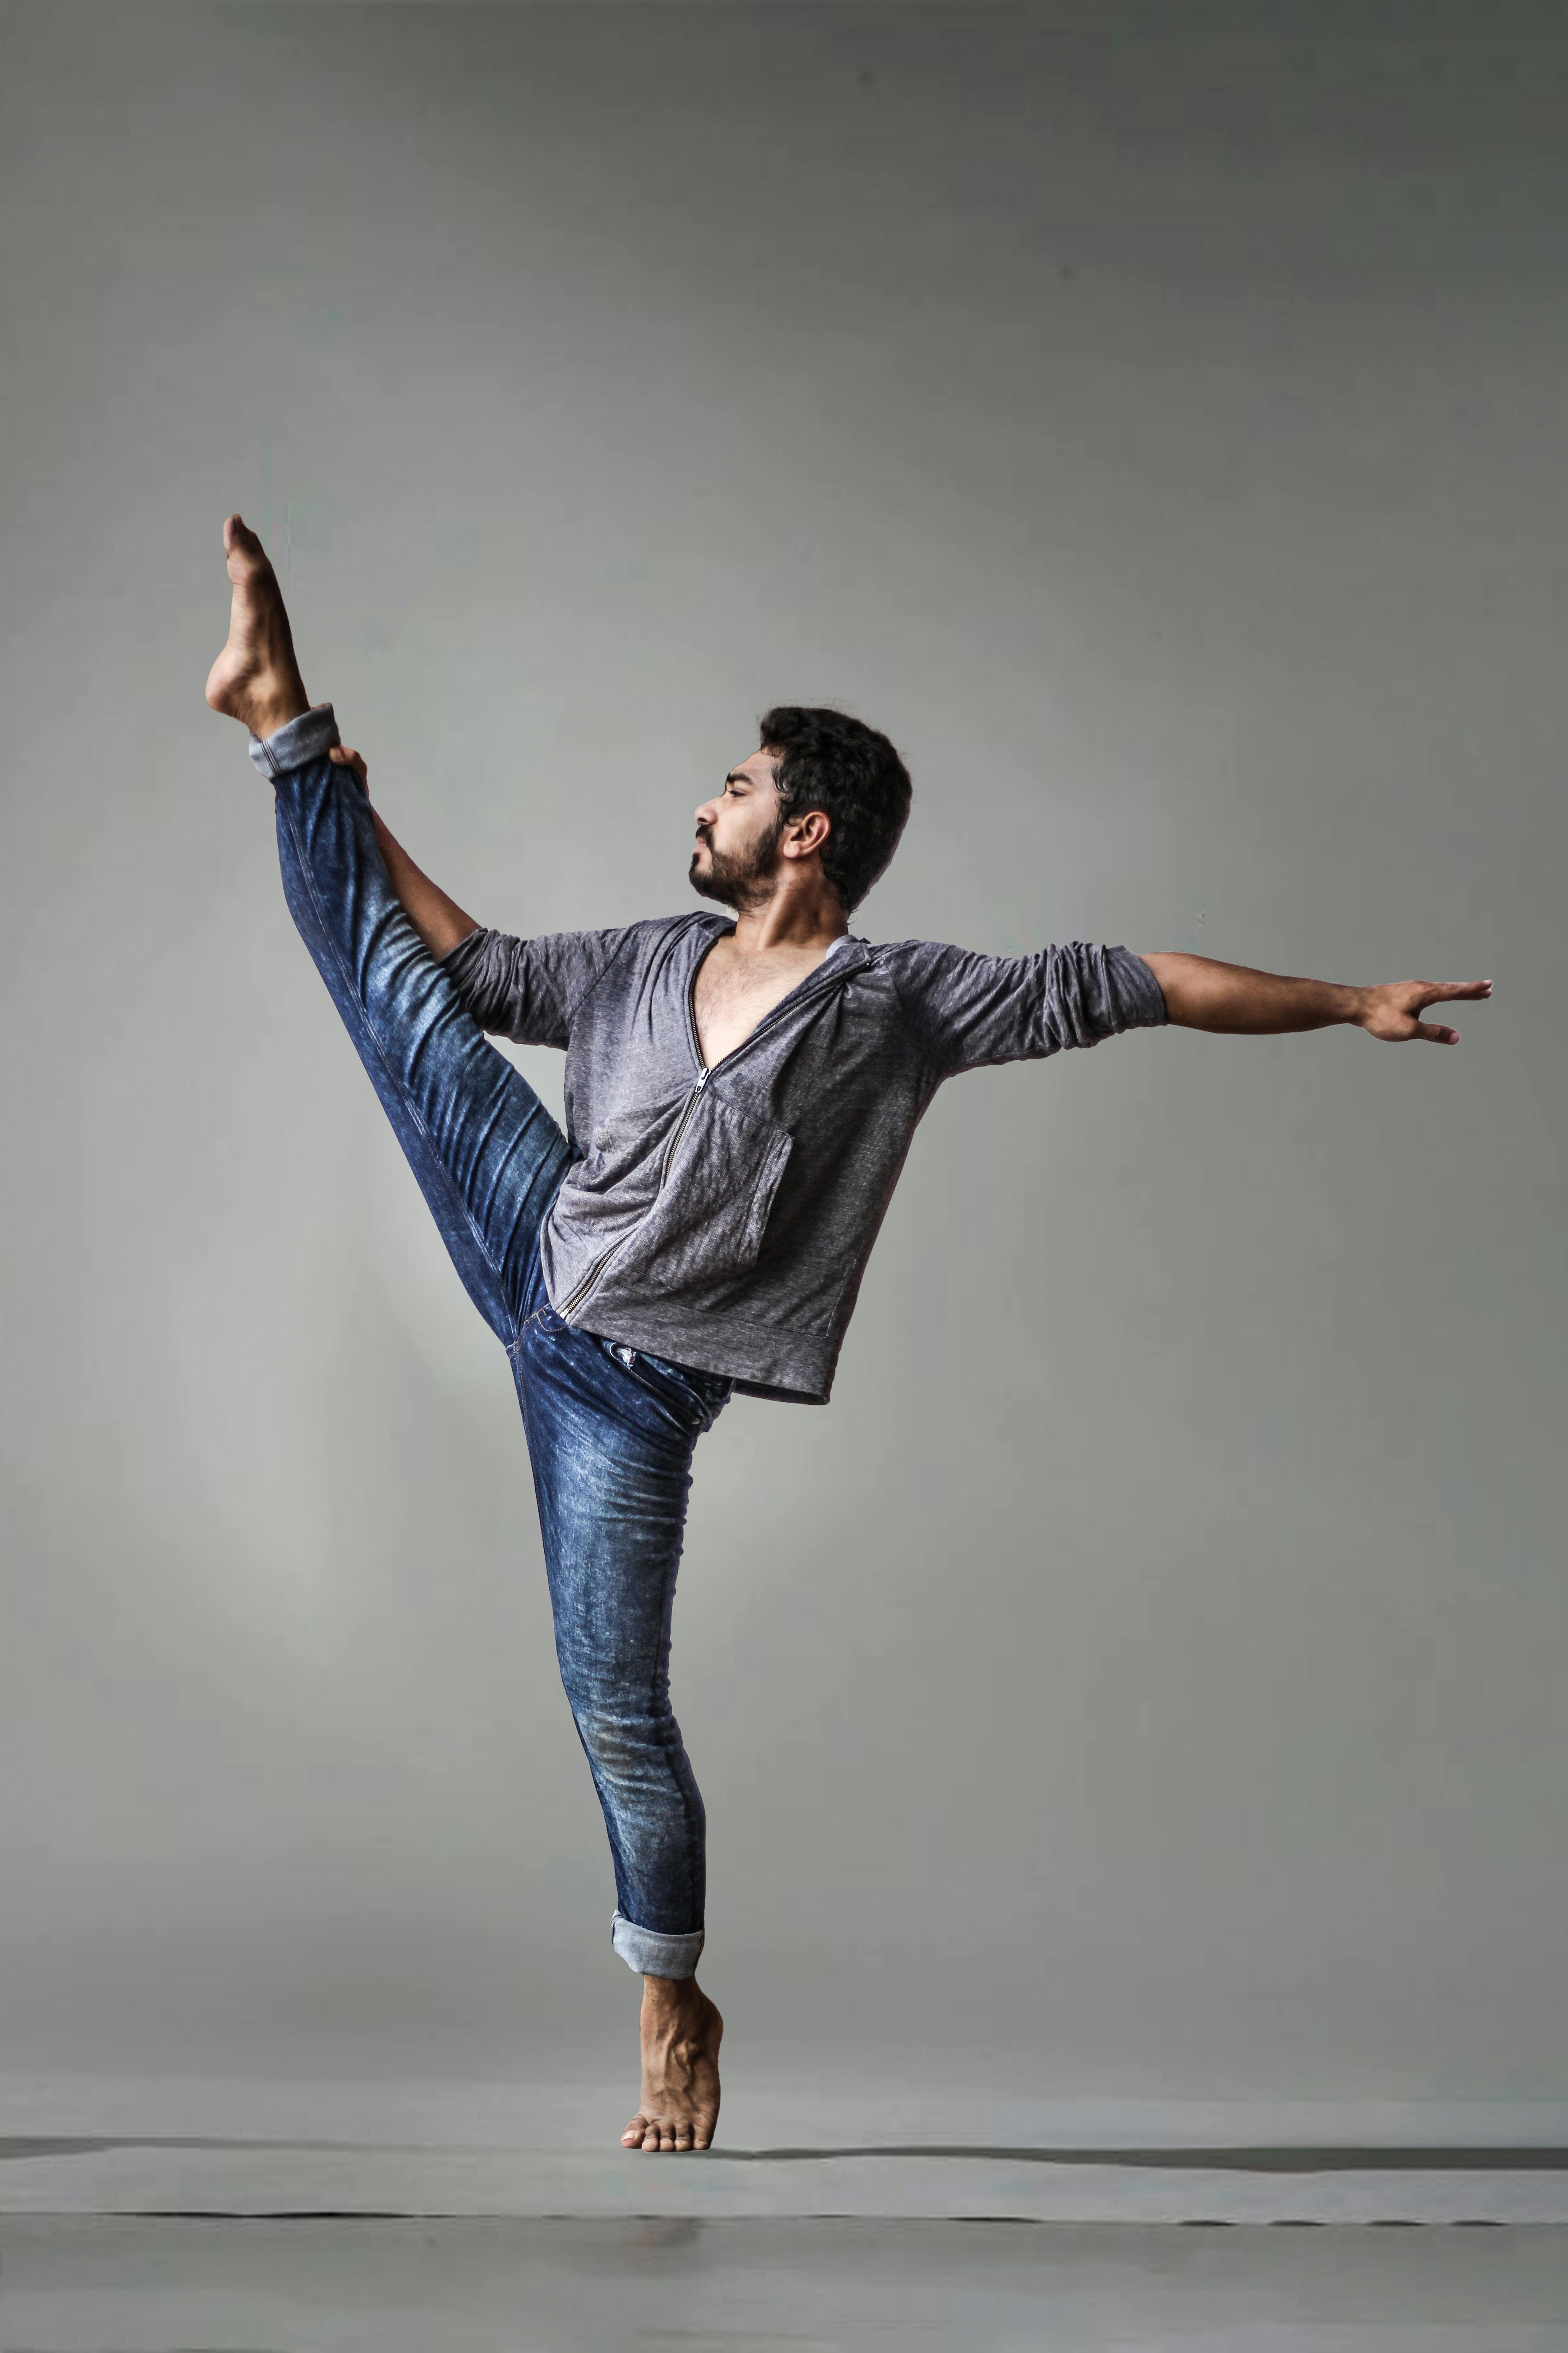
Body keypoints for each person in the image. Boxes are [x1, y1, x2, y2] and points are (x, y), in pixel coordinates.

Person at [205, 512, 1491, 2153]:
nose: (702, 804)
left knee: (614, 1704)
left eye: (731, 789)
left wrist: (1347, 999)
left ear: (803, 829)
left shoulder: (906, 1006)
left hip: (629, 1393)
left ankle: (673, 1994)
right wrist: (347, 810)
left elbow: (1145, 981)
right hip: (535, 1230)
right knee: (386, 986)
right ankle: (282, 724)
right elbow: (474, 966)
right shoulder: (643, 956)